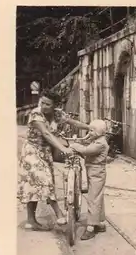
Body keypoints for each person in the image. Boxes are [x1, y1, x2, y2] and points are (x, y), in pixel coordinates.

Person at [18, 90, 90, 231]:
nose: (44, 106)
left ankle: (30, 221)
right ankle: (58, 213)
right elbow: (46, 133)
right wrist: (63, 149)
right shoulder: (36, 114)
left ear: (55, 105)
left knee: (35, 184)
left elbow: (72, 121)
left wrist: (89, 127)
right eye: (42, 102)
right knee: (44, 180)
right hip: (32, 151)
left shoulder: (57, 114)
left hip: (46, 152)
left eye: (47, 104)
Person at [69, 119, 110, 240]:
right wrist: (84, 140)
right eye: (90, 130)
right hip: (93, 171)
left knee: (93, 198)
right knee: (97, 197)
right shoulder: (97, 140)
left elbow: (87, 151)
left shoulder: (100, 143)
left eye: (92, 130)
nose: (90, 132)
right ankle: (98, 222)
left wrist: (76, 146)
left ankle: (91, 227)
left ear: (99, 132)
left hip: (97, 172)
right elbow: (87, 148)